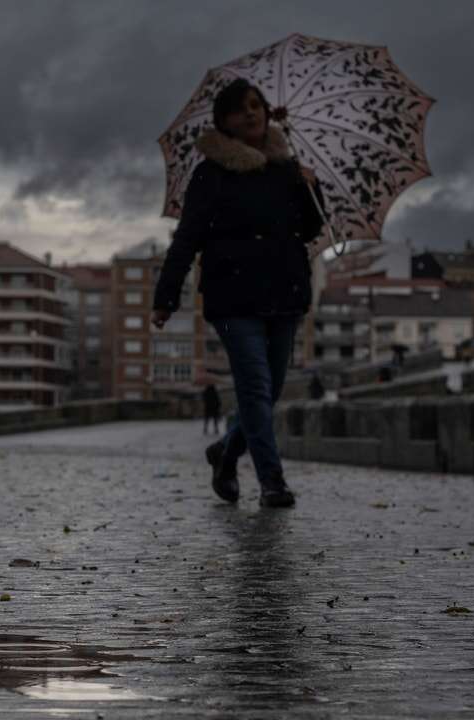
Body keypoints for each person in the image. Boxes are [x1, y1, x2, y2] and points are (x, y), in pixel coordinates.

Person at [152, 78, 325, 508]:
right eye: (238, 109)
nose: (250, 113)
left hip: (285, 291)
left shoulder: (288, 170)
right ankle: (272, 481)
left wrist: (310, 186)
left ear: (267, 113)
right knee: (254, 387)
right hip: (232, 296)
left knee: (271, 389)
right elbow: (187, 237)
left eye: (256, 105)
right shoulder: (211, 174)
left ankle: (225, 454)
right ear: (224, 122)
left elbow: (310, 229)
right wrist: (166, 295)